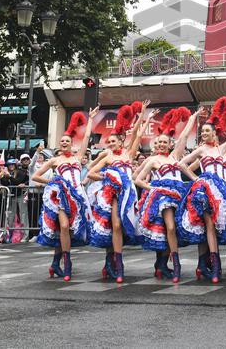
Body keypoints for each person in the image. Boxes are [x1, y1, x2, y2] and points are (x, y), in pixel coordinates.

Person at [178, 97, 226, 284]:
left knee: (216, 227)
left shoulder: (223, 150)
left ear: (215, 133)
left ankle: (204, 265)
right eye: (202, 132)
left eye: (207, 131)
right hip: (208, 190)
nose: (203, 134)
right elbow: (182, 164)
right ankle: (215, 266)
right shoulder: (201, 151)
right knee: (208, 225)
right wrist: (197, 179)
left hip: (224, 192)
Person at [134, 107, 199, 283]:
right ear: (155, 145)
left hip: (179, 196)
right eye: (159, 142)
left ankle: (161, 265)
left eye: (165, 142)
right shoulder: (152, 160)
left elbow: (184, 137)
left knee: (169, 231)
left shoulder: (175, 156)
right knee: (170, 228)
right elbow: (137, 179)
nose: (162, 144)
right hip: (162, 198)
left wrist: (192, 119)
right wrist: (153, 188)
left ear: (170, 144)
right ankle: (176, 266)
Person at [33, 107, 98, 281]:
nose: (64, 143)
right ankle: (67, 264)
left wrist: (90, 118)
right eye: (61, 141)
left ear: (71, 143)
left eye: (67, 141)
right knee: (63, 227)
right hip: (62, 196)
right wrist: (55, 183)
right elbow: (35, 176)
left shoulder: (78, 158)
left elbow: (85, 138)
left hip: (77, 196)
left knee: (69, 231)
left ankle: (56, 263)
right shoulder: (55, 160)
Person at [87, 103, 147, 283]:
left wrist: (142, 114)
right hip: (112, 195)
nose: (111, 144)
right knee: (114, 225)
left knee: (120, 226)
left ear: (121, 141)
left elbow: (137, 134)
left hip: (128, 194)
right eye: (109, 142)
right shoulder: (108, 157)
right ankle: (117, 264)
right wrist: (108, 177)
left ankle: (111, 261)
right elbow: (91, 172)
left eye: (114, 141)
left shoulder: (129, 154)